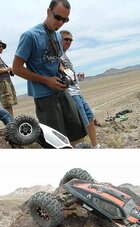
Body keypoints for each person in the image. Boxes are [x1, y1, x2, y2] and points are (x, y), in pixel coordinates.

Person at [12, 0, 87, 145]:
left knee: (77, 133)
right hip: (44, 97)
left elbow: (57, 58)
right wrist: (46, 80)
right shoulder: (30, 36)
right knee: (56, 141)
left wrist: (60, 69)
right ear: (48, 12)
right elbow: (16, 68)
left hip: (62, 91)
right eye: (57, 17)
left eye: (65, 20)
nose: (60, 23)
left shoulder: (58, 36)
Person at [60, 30, 100, 148]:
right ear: (59, 40)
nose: (69, 42)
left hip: (77, 92)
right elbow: (61, 71)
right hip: (71, 95)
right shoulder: (58, 55)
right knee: (81, 125)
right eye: (66, 39)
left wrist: (77, 78)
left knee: (90, 118)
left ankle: (95, 146)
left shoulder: (65, 55)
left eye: (70, 40)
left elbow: (67, 75)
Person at [0, 40, 17, 117]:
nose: (1, 48)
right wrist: (6, 69)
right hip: (2, 83)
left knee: (9, 104)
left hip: (6, 82)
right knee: (7, 105)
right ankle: (10, 124)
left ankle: (11, 123)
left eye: (2, 47)